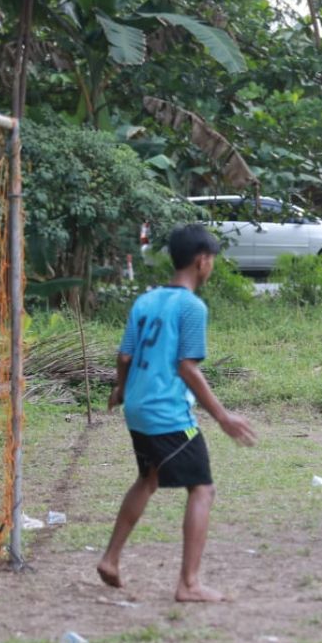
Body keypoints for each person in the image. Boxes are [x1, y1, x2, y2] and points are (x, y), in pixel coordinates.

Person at [97, 223, 257, 602]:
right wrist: (223, 417)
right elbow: (188, 367)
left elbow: (124, 356)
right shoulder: (191, 307)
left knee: (148, 479)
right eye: (213, 260)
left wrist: (120, 389)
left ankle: (110, 559)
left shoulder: (146, 301)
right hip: (167, 413)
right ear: (203, 261)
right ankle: (188, 584)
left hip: (136, 409)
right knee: (202, 488)